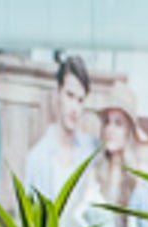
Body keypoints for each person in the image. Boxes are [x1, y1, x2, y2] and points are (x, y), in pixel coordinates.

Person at [18, 54, 99, 202]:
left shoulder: (92, 149)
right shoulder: (37, 158)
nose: (75, 108)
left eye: (80, 100)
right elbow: (28, 218)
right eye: (70, 95)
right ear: (57, 93)